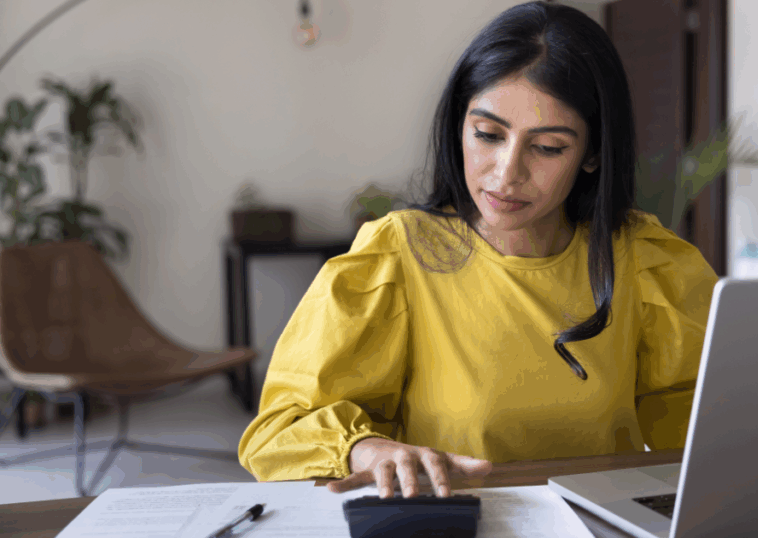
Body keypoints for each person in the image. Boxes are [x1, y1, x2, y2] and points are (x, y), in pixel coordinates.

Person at [237, 0, 718, 500]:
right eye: (487, 134)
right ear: (458, 125)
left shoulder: (644, 259)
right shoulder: (397, 255)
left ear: (594, 153)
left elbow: (709, 433)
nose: (507, 173)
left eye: (548, 147)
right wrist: (369, 449)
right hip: (453, 525)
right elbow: (278, 430)